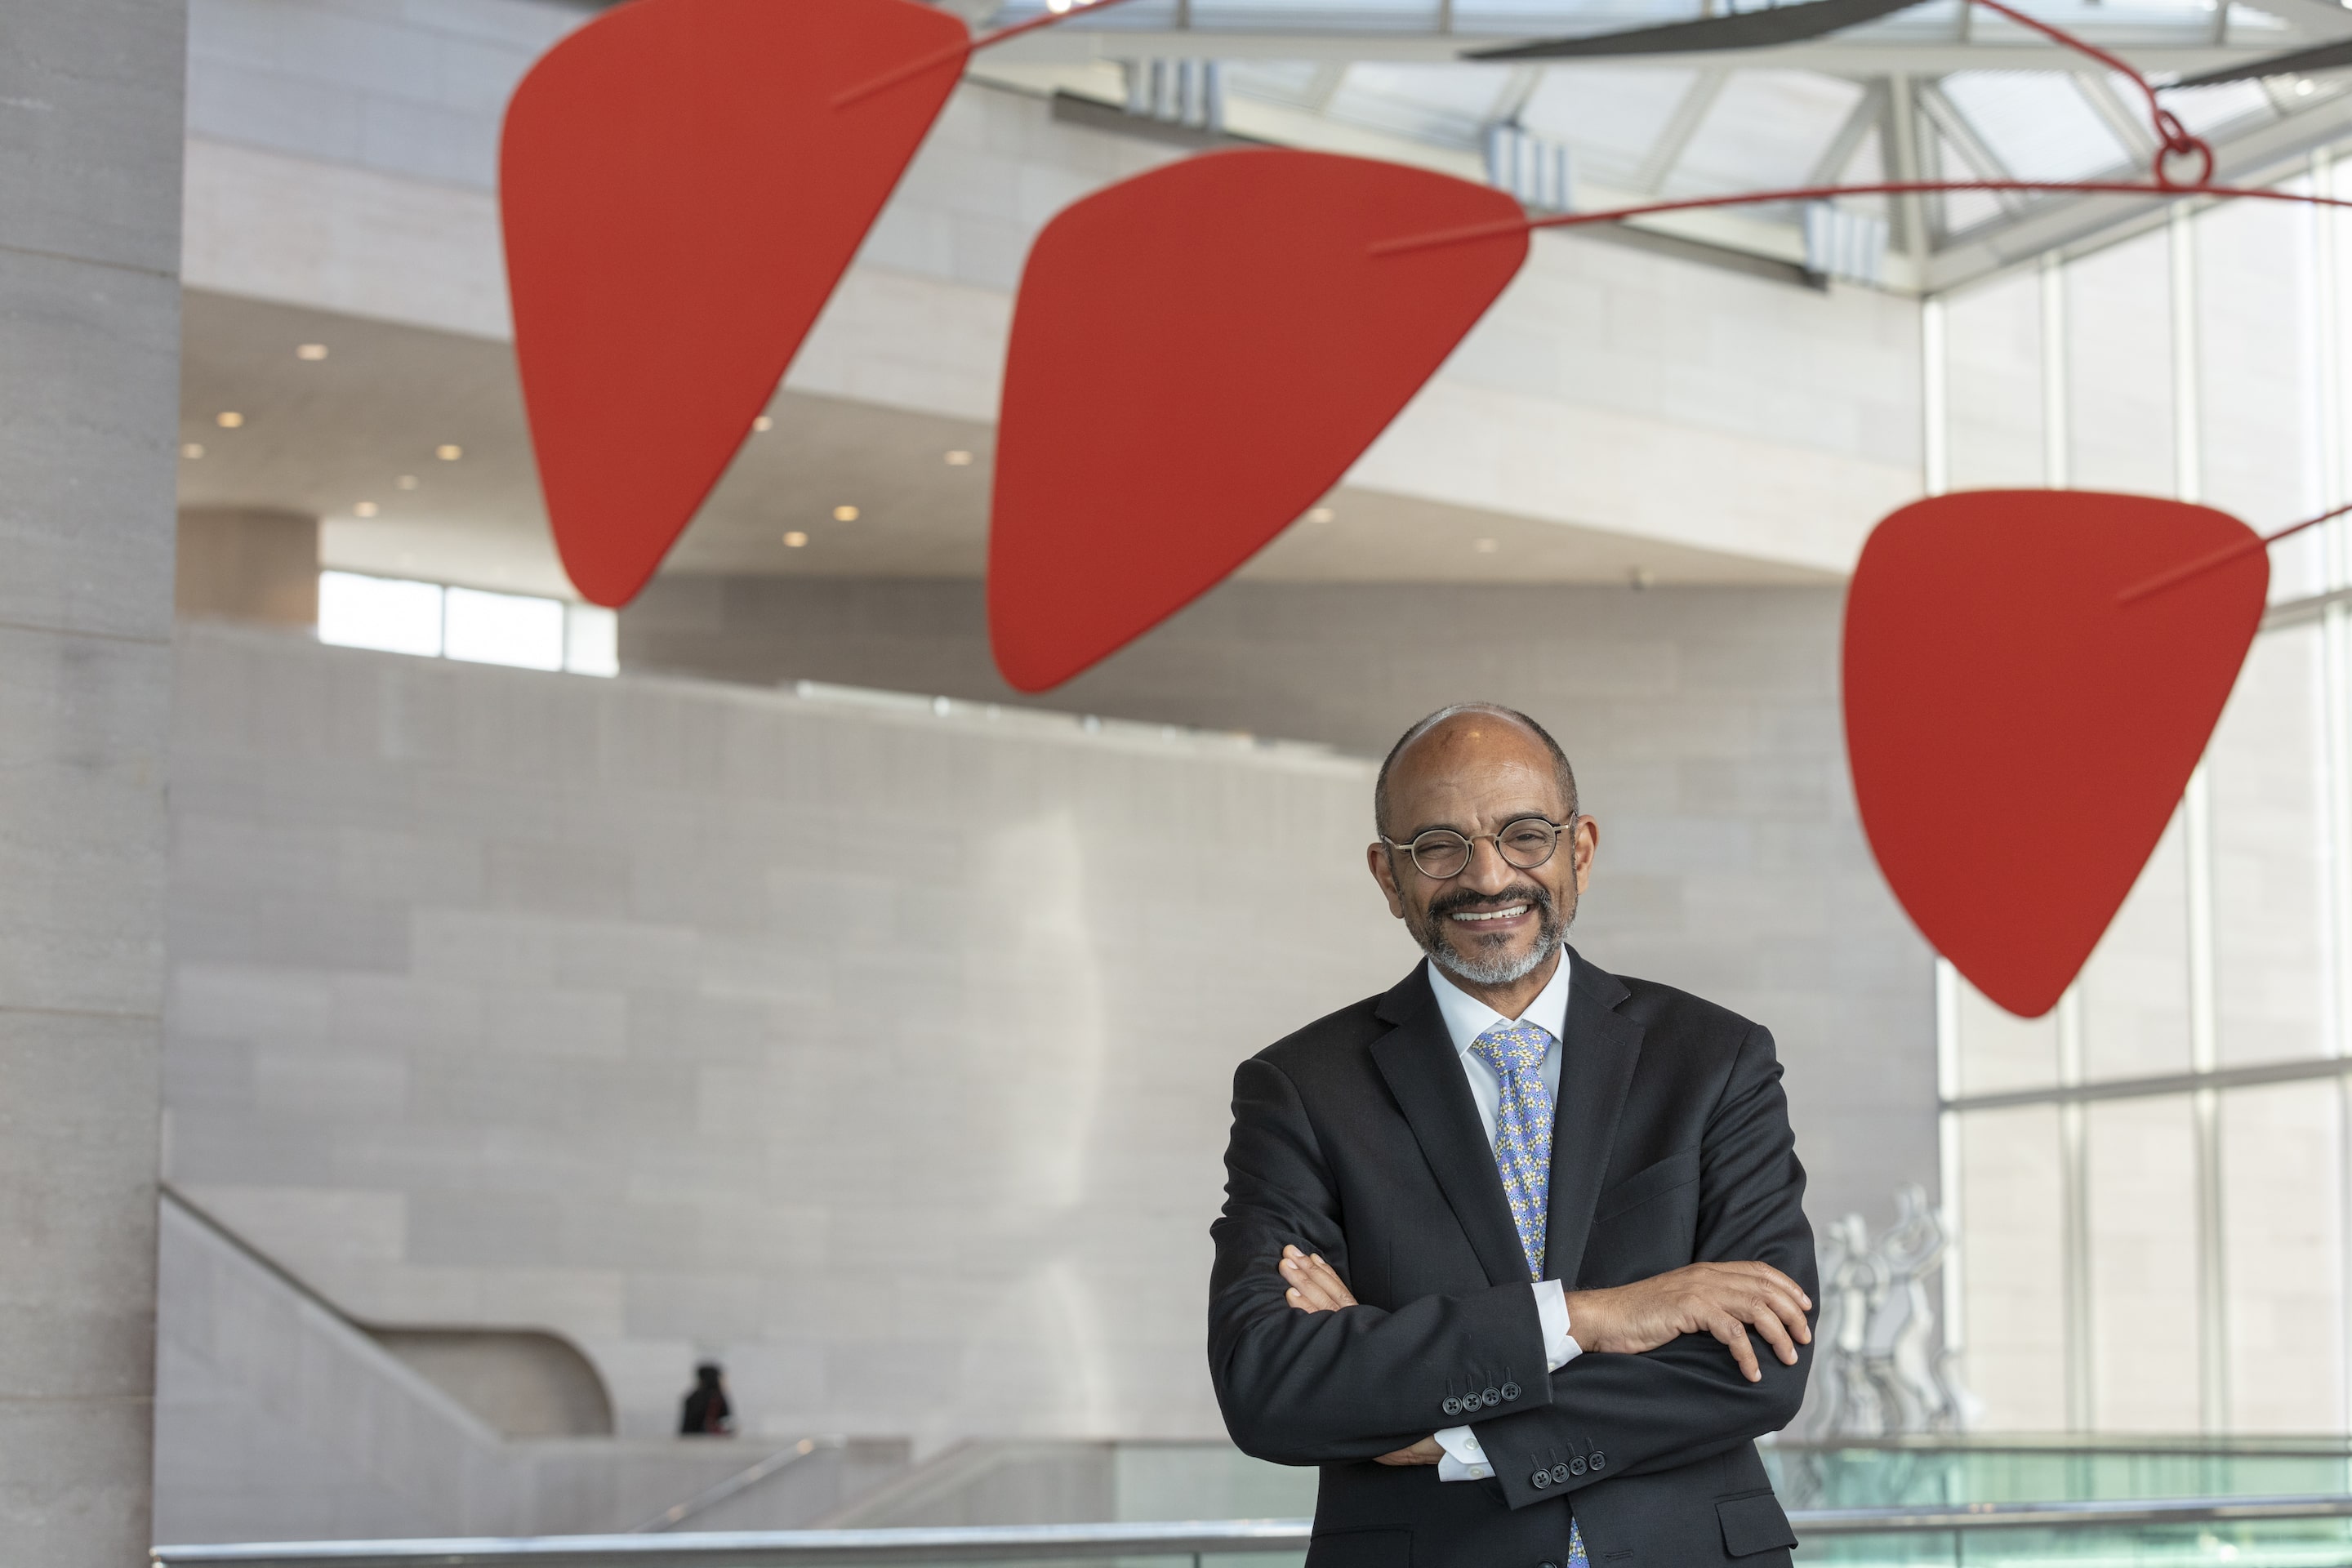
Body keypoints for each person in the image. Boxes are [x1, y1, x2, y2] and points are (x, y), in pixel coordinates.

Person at [1208, 703, 1817, 1568]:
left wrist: (1459, 1440)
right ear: (1388, 877)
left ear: (1582, 850)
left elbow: (1763, 1359)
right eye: (1439, 846)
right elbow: (1270, 1383)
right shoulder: (1302, 1089)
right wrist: (1592, 1316)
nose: (1489, 877)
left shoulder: (1715, 1059)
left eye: (1525, 835)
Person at [679, 1361, 733, 1436]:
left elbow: (686, 1426)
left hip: (691, 1440)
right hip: (713, 1440)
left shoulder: (691, 1397)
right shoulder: (718, 1397)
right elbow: (728, 1423)